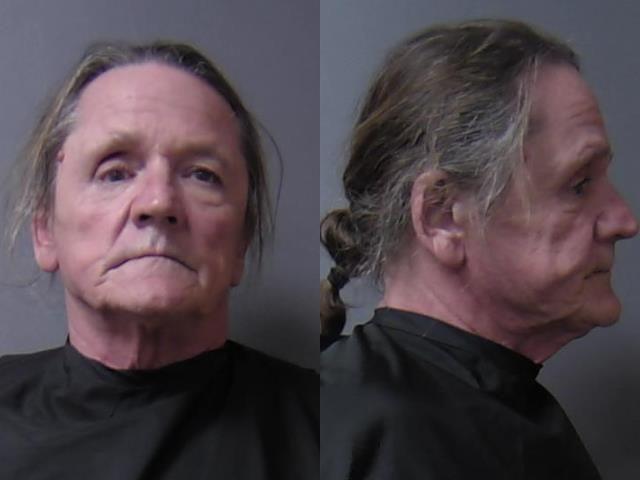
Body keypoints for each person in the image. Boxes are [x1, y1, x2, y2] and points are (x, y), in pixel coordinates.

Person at [320, 19, 637, 479]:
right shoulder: (368, 433)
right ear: (443, 216)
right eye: (579, 184)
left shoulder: (501, 408)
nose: (624, 221)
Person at [0, 41, 317, 479]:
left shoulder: (328, 429)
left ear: (241, 243)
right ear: (44, 231)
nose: (158, 201)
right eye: (115, 173)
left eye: (203, 175)